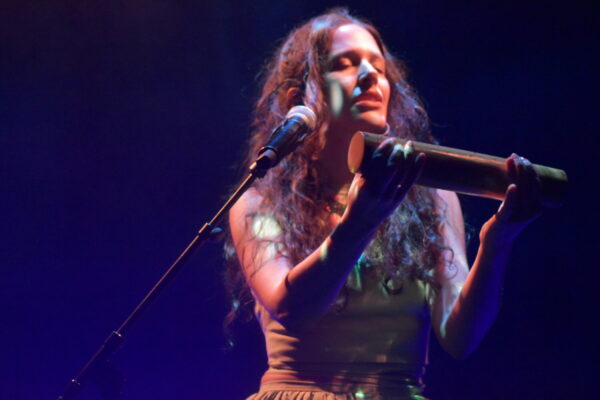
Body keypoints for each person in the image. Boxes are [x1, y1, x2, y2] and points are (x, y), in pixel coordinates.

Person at [225, 8, 542, 400]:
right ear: (299, 97)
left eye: (377, 66)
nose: (369, 75)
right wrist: (358, 223)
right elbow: (293, 311)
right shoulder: (261, 201)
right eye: (344, 64)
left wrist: (497, 244)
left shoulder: (432, 198)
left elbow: (461, 338)